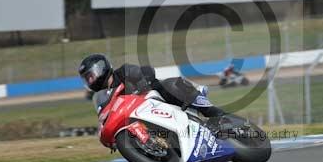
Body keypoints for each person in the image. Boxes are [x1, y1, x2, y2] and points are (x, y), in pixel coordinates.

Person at [78, 54, 225, 119]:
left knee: (169, 86)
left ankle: (215, 113)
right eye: (87, 79)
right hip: (143, 116)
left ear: (101, 68)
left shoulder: (123, 72)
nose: (90, 81)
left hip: (158, 98)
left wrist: (142, 86)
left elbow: (145, 71)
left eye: (91, 76)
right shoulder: (104, 97)